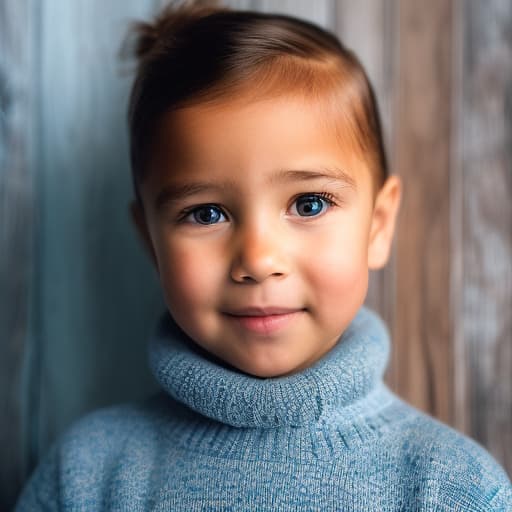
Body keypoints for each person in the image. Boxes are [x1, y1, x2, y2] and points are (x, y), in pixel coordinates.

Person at [16, 2, 512, 510]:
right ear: (151, 243)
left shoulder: (451, 489)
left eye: (309, 204)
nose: (257, 259)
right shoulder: (86, 475)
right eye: (206, 213)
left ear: (377, 227)